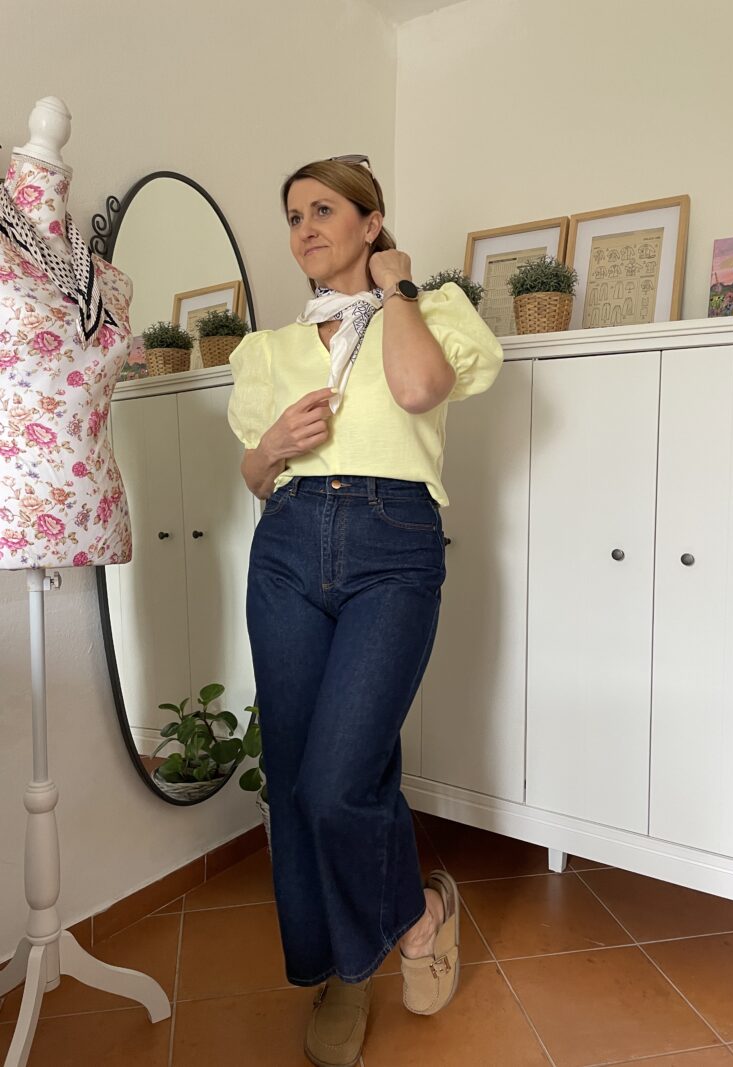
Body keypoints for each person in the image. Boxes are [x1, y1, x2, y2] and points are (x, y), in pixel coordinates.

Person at [227, 154, 503, 1067]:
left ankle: (417, 916)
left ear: (371, 222)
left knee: (339, 776)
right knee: (295, 775)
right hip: (287, 546)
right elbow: (253, 474)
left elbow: (420, 390)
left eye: (324, 210)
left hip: (393, 543)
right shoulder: (269, 349)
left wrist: (399, 288)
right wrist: (274, 443)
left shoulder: (429, 308)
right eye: (293, 215)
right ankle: (343, 972)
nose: (305, 228)